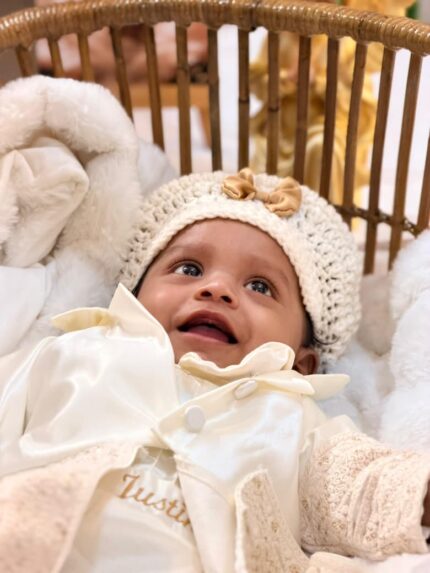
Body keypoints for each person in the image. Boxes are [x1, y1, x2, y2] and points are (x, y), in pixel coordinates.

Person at [0, 169, 429, 573]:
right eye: (189, 269)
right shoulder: (78, 353)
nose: (217, 289)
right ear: (133, 294)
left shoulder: (293, 419)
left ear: (301, 363)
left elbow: (361, 487)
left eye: (260, 286)